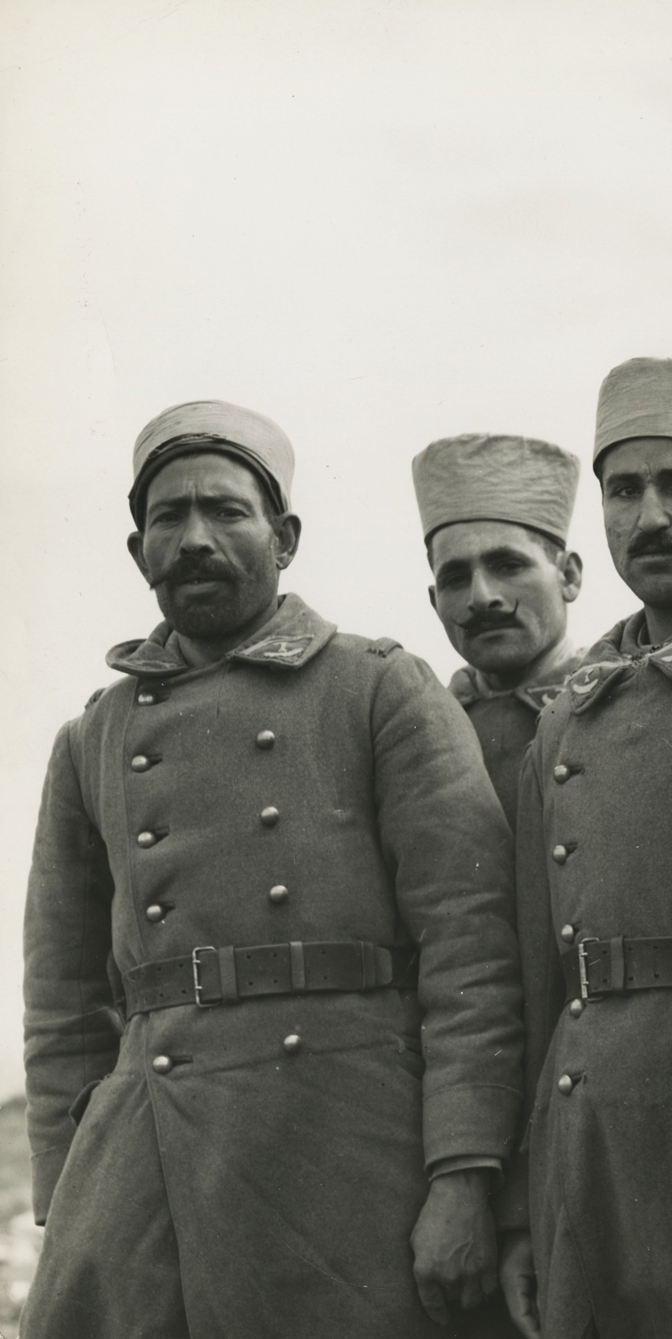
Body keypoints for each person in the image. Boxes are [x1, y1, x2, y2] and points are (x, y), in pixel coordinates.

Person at [22, 401, 524, 1337]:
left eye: (226, 511)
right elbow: (62, 1001)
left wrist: (463, 1173)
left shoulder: (378, 687)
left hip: (344, 1149)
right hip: (150, 1156)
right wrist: (67, 1192)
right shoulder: (93, 735)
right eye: (168, 518)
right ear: (138, 550)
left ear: (284, 537)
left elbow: (472, 950)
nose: (195, 539)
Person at [500, 358, 672, 1338]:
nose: (650, 516)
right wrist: (525, 1207)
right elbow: (539, 979)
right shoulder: (569, 717)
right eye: (623, 491)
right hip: (592, 1124)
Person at [412, 433, 587, 830]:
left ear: (569, 576)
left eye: (508, 566)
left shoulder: (619, 710)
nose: (480, 597)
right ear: (433, 600)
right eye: (454, 578)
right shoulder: (417, 730)